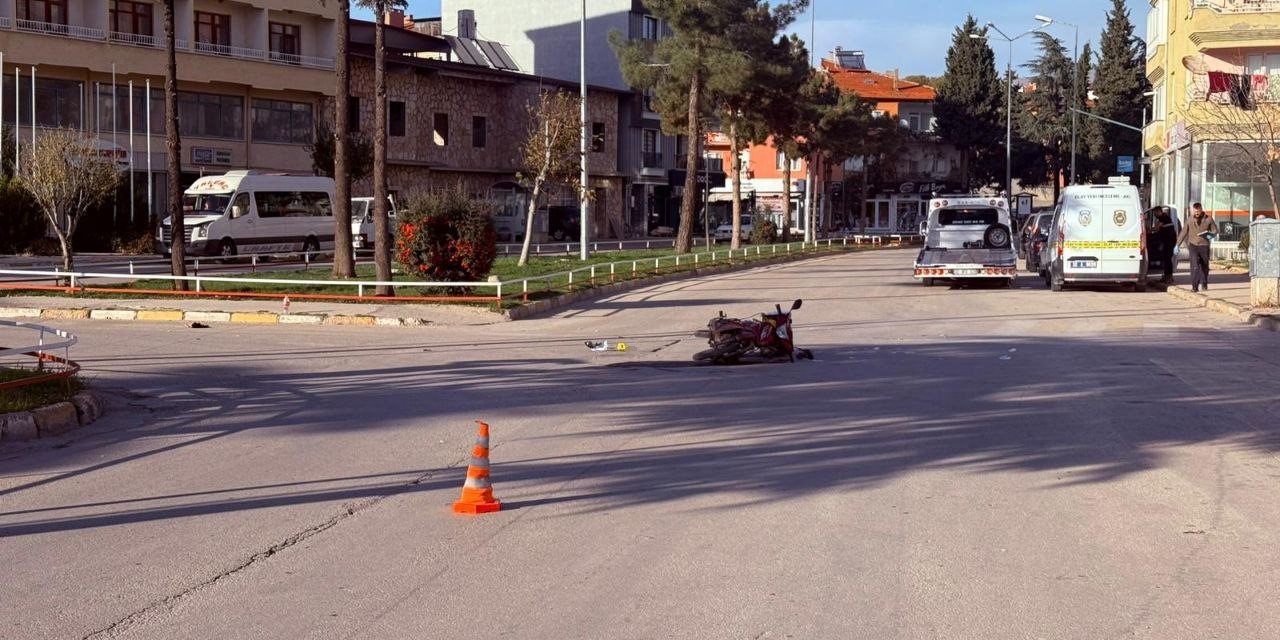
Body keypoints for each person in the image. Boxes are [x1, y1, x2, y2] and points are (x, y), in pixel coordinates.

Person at [1177, 202, 1218, 292]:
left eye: (1198, 212)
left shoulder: (1209, 219)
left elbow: (1215, 230)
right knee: (1194, 266)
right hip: (1193, 245)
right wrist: (1177, 245)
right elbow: (1183, 233)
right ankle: (1194, 286)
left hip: (1204, 245)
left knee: (1204, 266)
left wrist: (1210, 235)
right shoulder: (1189, 220)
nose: (1196, 213)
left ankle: (1204, 282)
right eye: (1195, 212)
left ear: (1201, 210)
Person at [1151, 206, 1177, 284]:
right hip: (1167, 241)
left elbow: (1156, 228)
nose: (1154, 214)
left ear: (1159, 211)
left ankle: (1169, 277)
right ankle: (1166, 276)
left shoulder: (1164, 218)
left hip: (1169, 242)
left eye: (1155, 213)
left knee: (1168, 260)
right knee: (1166, 260)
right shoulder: (1163, 218)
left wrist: (1147, 230)